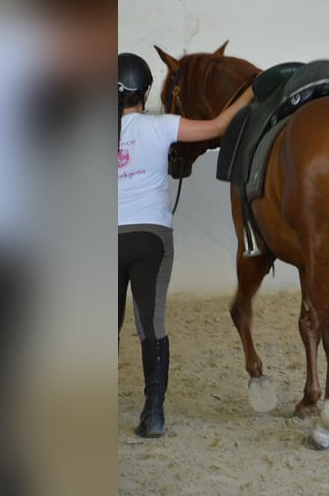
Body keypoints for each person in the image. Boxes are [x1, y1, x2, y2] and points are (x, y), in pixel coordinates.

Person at [118, 52, 253, 438]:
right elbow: (218, 125)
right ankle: (153, 414)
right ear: (144, 92)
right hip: (151, 238)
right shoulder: (161, 126)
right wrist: (249, 91)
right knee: (152, 325)